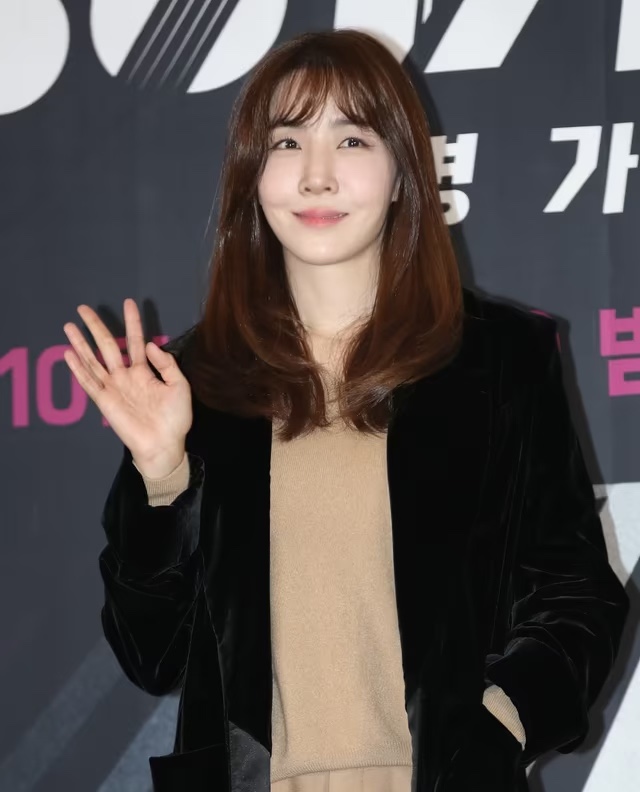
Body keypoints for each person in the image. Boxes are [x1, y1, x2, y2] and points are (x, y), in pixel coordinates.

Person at [62, 28, 628, 792]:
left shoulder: (500, 361)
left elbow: (577, 594)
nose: (317, 175)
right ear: (251, 175)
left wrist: (500, 723)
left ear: (403, 173)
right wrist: (161, 477)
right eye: (287, 142)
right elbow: (150, 655)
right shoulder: (195, 381)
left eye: (352, 139)